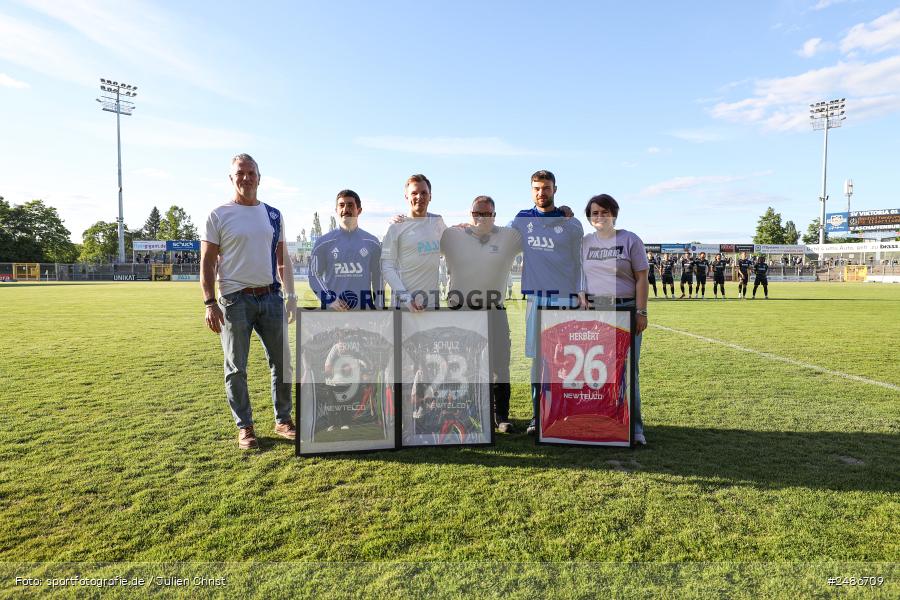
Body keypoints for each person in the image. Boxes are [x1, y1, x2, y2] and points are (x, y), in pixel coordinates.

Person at [201, 153, 296, 450]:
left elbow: (283, 260)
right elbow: (207, 262)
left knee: (282, 363)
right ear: (232, 178)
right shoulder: (218, 214)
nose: (246, 177)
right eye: (240, 173)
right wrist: (209, 302)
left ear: (259, 176)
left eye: (250, 172)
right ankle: (245, 427)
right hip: (234, 300)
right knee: (236, 367)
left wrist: (290, 295)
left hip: (270, 296)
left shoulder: (273, 214)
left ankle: (283, 420)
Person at [509, 170, 584, 435]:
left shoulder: (571, 223)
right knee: (539, 361)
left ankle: (566, 414)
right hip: (536, 299)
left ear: (555, 189)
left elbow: (580, 261)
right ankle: (537, 416)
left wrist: (581, 292)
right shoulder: (521, 220)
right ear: (531, 190)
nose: (542, 193)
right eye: (537, 188)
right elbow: (495, 237)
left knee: (567, 359)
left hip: (564, 298)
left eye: (547, 188)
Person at [441, 196, 523, 433]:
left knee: (499, 365)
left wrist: (564, 215)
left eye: (487, 213)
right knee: (461, 364)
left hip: (494, 311)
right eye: (477, 213)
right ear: (470, 213)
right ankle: (467, 412)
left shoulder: (508, 236)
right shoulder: (452, 235)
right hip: (461, 312)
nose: (482, 217)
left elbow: (537, 235)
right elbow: (422, 242)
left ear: (494, 215)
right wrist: (403, 221)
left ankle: (501, 416)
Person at [579, 194, 649, 445]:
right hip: (598, 312)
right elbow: (578, 274)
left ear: (614, 214)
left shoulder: (630, 239)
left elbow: (642, 278)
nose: (600, 217)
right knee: (599, 369)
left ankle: (635, 428)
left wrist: (641, 312)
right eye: (595, 213)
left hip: (627, 309)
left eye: (605, 212)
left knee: (629, 371)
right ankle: (605, 421)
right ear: (589, 216)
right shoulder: (585, 242)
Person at [309, 189, 384, 310]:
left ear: (359, 210)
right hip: (333, 311)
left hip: (363, 311)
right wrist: (330, 300)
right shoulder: (323, 243)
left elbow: (378, 276)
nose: (345, 209)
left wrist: (380, 306)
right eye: (341, 205)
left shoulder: (372, 242)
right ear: (336, 210)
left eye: (350, 205)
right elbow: (314, 275)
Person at [381, 174, 446, 311]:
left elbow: (450, 247)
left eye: (424, 193)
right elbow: (387, 266)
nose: (419, 197)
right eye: (414, 193)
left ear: (430, 196)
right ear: (406, 197)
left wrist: (465, 227)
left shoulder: (438, 222)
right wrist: (407, 299)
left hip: (431, 305)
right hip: (404, 306)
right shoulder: (396, 226)